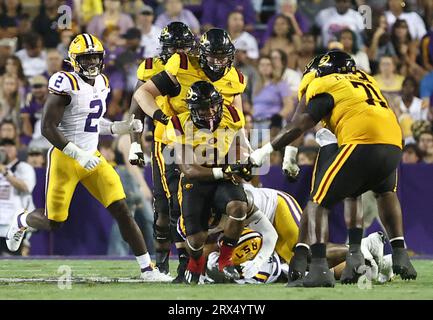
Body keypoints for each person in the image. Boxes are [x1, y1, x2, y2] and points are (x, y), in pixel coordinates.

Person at [5, 33, 172, 282]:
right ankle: (21, 220)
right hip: (66, 158)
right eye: (87, 58)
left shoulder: (102, 82)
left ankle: (148, 270)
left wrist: (117, 128)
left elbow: (91, 123)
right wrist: (78, 155)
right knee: (54, 221)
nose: (93, 63)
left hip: (92, 157)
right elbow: (48, 128)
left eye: (96, 57)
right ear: (74, 60)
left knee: (123, 211)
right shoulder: (64, 82)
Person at [249, 50, 417, 287]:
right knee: (383, 192)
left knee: (318, 202)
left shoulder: (325, 83)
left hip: (359, 139)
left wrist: (264, 152)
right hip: (392, 141)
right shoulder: (365, 80)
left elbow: (299, 123)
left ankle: (318, 269)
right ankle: (397, 252)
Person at [132, 29, 250, 282]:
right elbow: (142, 94)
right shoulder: (182, 64)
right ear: (202, 53)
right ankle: (180, 264)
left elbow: (239, 125)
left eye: (223, 56)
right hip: (175, 140)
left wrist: (244, 155)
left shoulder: (236, 79)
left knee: (225, 205)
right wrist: (160, 118)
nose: (218, 62)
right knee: (171, 207)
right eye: (213, 56)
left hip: (215, 149)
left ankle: (202, 262)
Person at [129, 22, 196, 282]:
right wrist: (135, 142)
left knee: (192, 203)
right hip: (165, 140)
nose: (179, 51)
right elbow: (137, 106)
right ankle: (165, 264)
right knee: (166, 206)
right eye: (175, 47)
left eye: (184, 46)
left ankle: (193, 262)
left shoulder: (197, 65)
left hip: (199, 142)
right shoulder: (152, 67)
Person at [164, 81, 251, 284]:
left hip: (224, 176)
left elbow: (240, 146)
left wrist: (241, 162)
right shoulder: (178, 123)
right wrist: (224, 171)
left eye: (213, 105)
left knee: (238, 208)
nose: (210, 111)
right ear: (193, 109)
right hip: (196, 182)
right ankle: (195, 263)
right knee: (195, 239)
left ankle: (225, 259)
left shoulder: (233, 115)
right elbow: (189, 169)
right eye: (203, 108)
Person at [0, 138, 36, 256]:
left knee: (11, 261)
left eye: (10, 146)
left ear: (16, 150)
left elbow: (26, 187)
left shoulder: (23, 167)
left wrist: (5, 173)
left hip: (13, 225)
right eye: (3, 147)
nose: (6, 150)